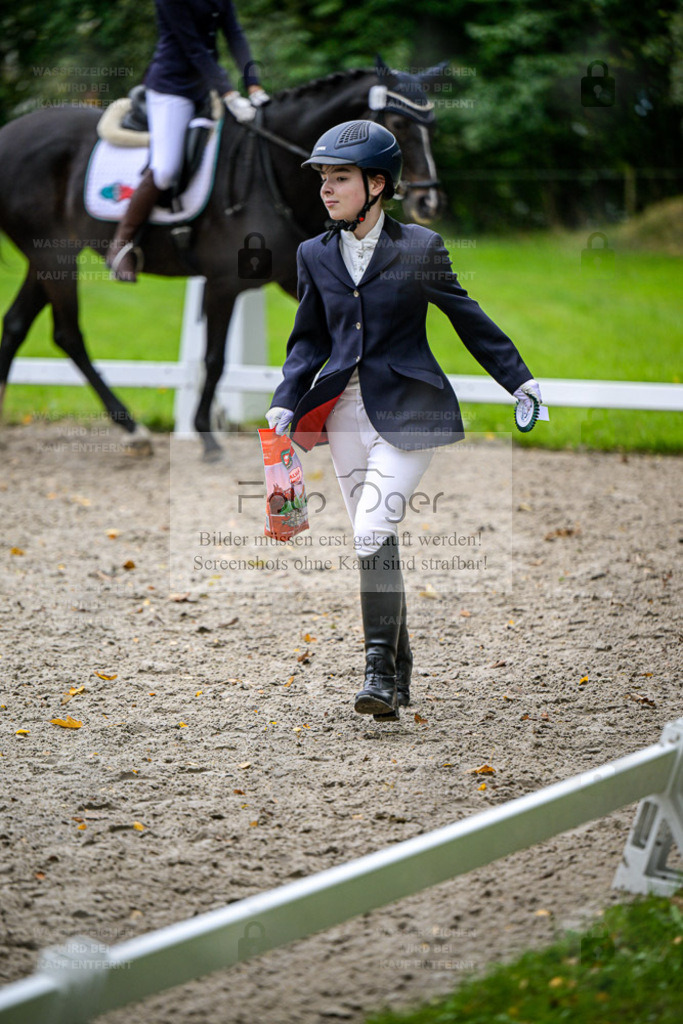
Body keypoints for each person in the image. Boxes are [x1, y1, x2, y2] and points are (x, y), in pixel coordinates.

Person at [266, 120, 543, 721]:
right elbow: (307, 341)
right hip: (341, 413)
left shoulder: (420, 248)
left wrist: (518, 380)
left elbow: (466, 316)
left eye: (339, 178)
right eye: (323, 179)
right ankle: (400, 671)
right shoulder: (312, 254)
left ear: (377, 185)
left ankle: (378, 674)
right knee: (375, 540)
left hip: (410, 409)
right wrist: (287, 399)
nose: (326, 190)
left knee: (370, 532)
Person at [107, 0, 270, 282]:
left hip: (202, 90)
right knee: (166, 168)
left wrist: (253, 84)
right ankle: (121, 244)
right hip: (171, 89)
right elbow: (193, 47)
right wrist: (230, 94)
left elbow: (235, 34)